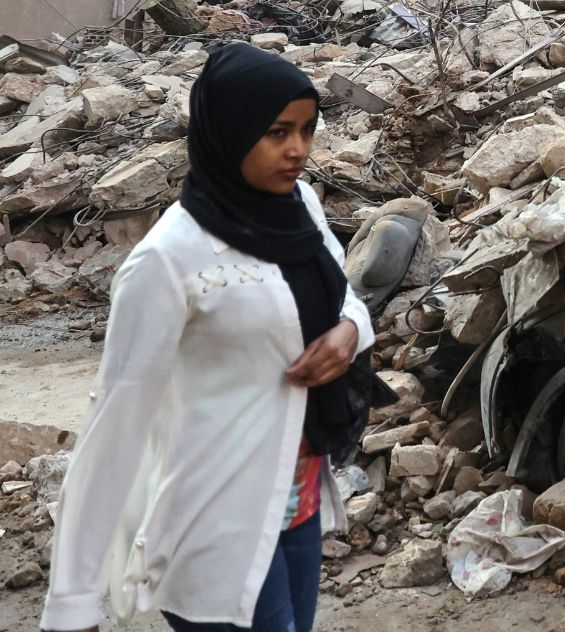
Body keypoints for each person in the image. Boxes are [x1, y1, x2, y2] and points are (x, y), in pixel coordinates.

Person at [41, 43, 387, 632]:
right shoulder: (170, 259)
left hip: (297, 505)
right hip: (213, 521)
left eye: (306, 129)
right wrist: (72, 606)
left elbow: (339, 290)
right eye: (277, 132)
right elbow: (114, 427)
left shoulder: (297, 204)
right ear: (228, 130)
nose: (298, 150)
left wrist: (350, 332)